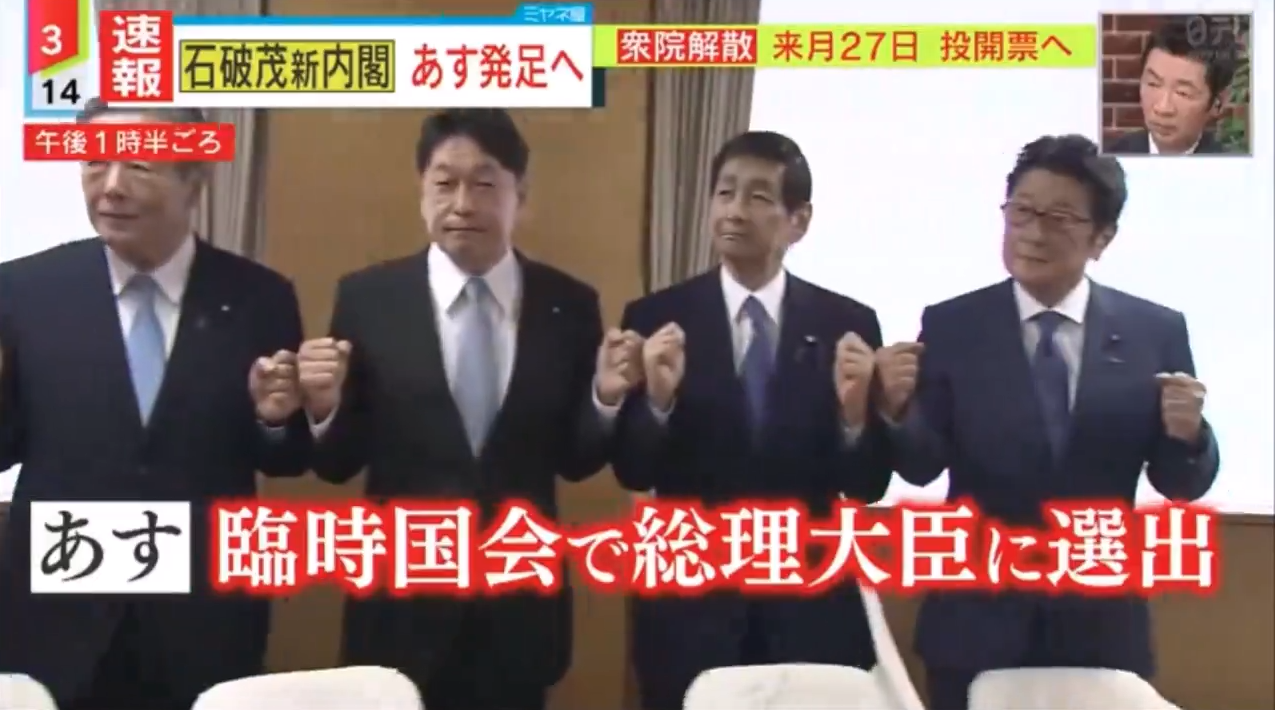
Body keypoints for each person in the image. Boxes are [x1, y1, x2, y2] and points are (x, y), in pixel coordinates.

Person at [296, 108, 636, 710]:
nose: (462, 203)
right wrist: (323, 410)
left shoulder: (568, 303)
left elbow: (575, 459)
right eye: (444, 182)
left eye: (484, 183)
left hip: (518, 606)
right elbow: (339, 462)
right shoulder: (369, 299)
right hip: (400, 610)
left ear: (519, 194)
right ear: (421, 190)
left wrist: (604, 398)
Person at [878, 134, 1220, 710]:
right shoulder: (954, 325)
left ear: (1102, 237)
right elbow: (921, 465)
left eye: (1059, 218)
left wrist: (1189, 436)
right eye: (1022, 212)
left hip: (1100, 626)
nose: (1033, 233)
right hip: (974, 624)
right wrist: (894, 410)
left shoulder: (1154, 332)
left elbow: (1179, 484)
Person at [0, 99, 312, 710]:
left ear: (194, 180)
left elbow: (285, 458)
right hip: (58, 617)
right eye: (94, 164)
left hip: (203, 624)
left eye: (138, 166)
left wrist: (273, 418)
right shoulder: (23, 291)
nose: (111, 186)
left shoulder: (259, 297)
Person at [610, 131, 894, 710]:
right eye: (725, 193)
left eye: (758, 196)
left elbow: (868, 484)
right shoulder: (657, 316)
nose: (735, 210)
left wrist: (854, 417)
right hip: (689, 611)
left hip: (810, 613)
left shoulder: (847, 323)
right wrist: (658, 403)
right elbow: (633, 470)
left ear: (798, 220)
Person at [1106, 18, 1238, 155]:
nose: (1162, 108)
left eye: (1183, 93)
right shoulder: (1111, 156)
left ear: (1218, 104)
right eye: (1153, 83)